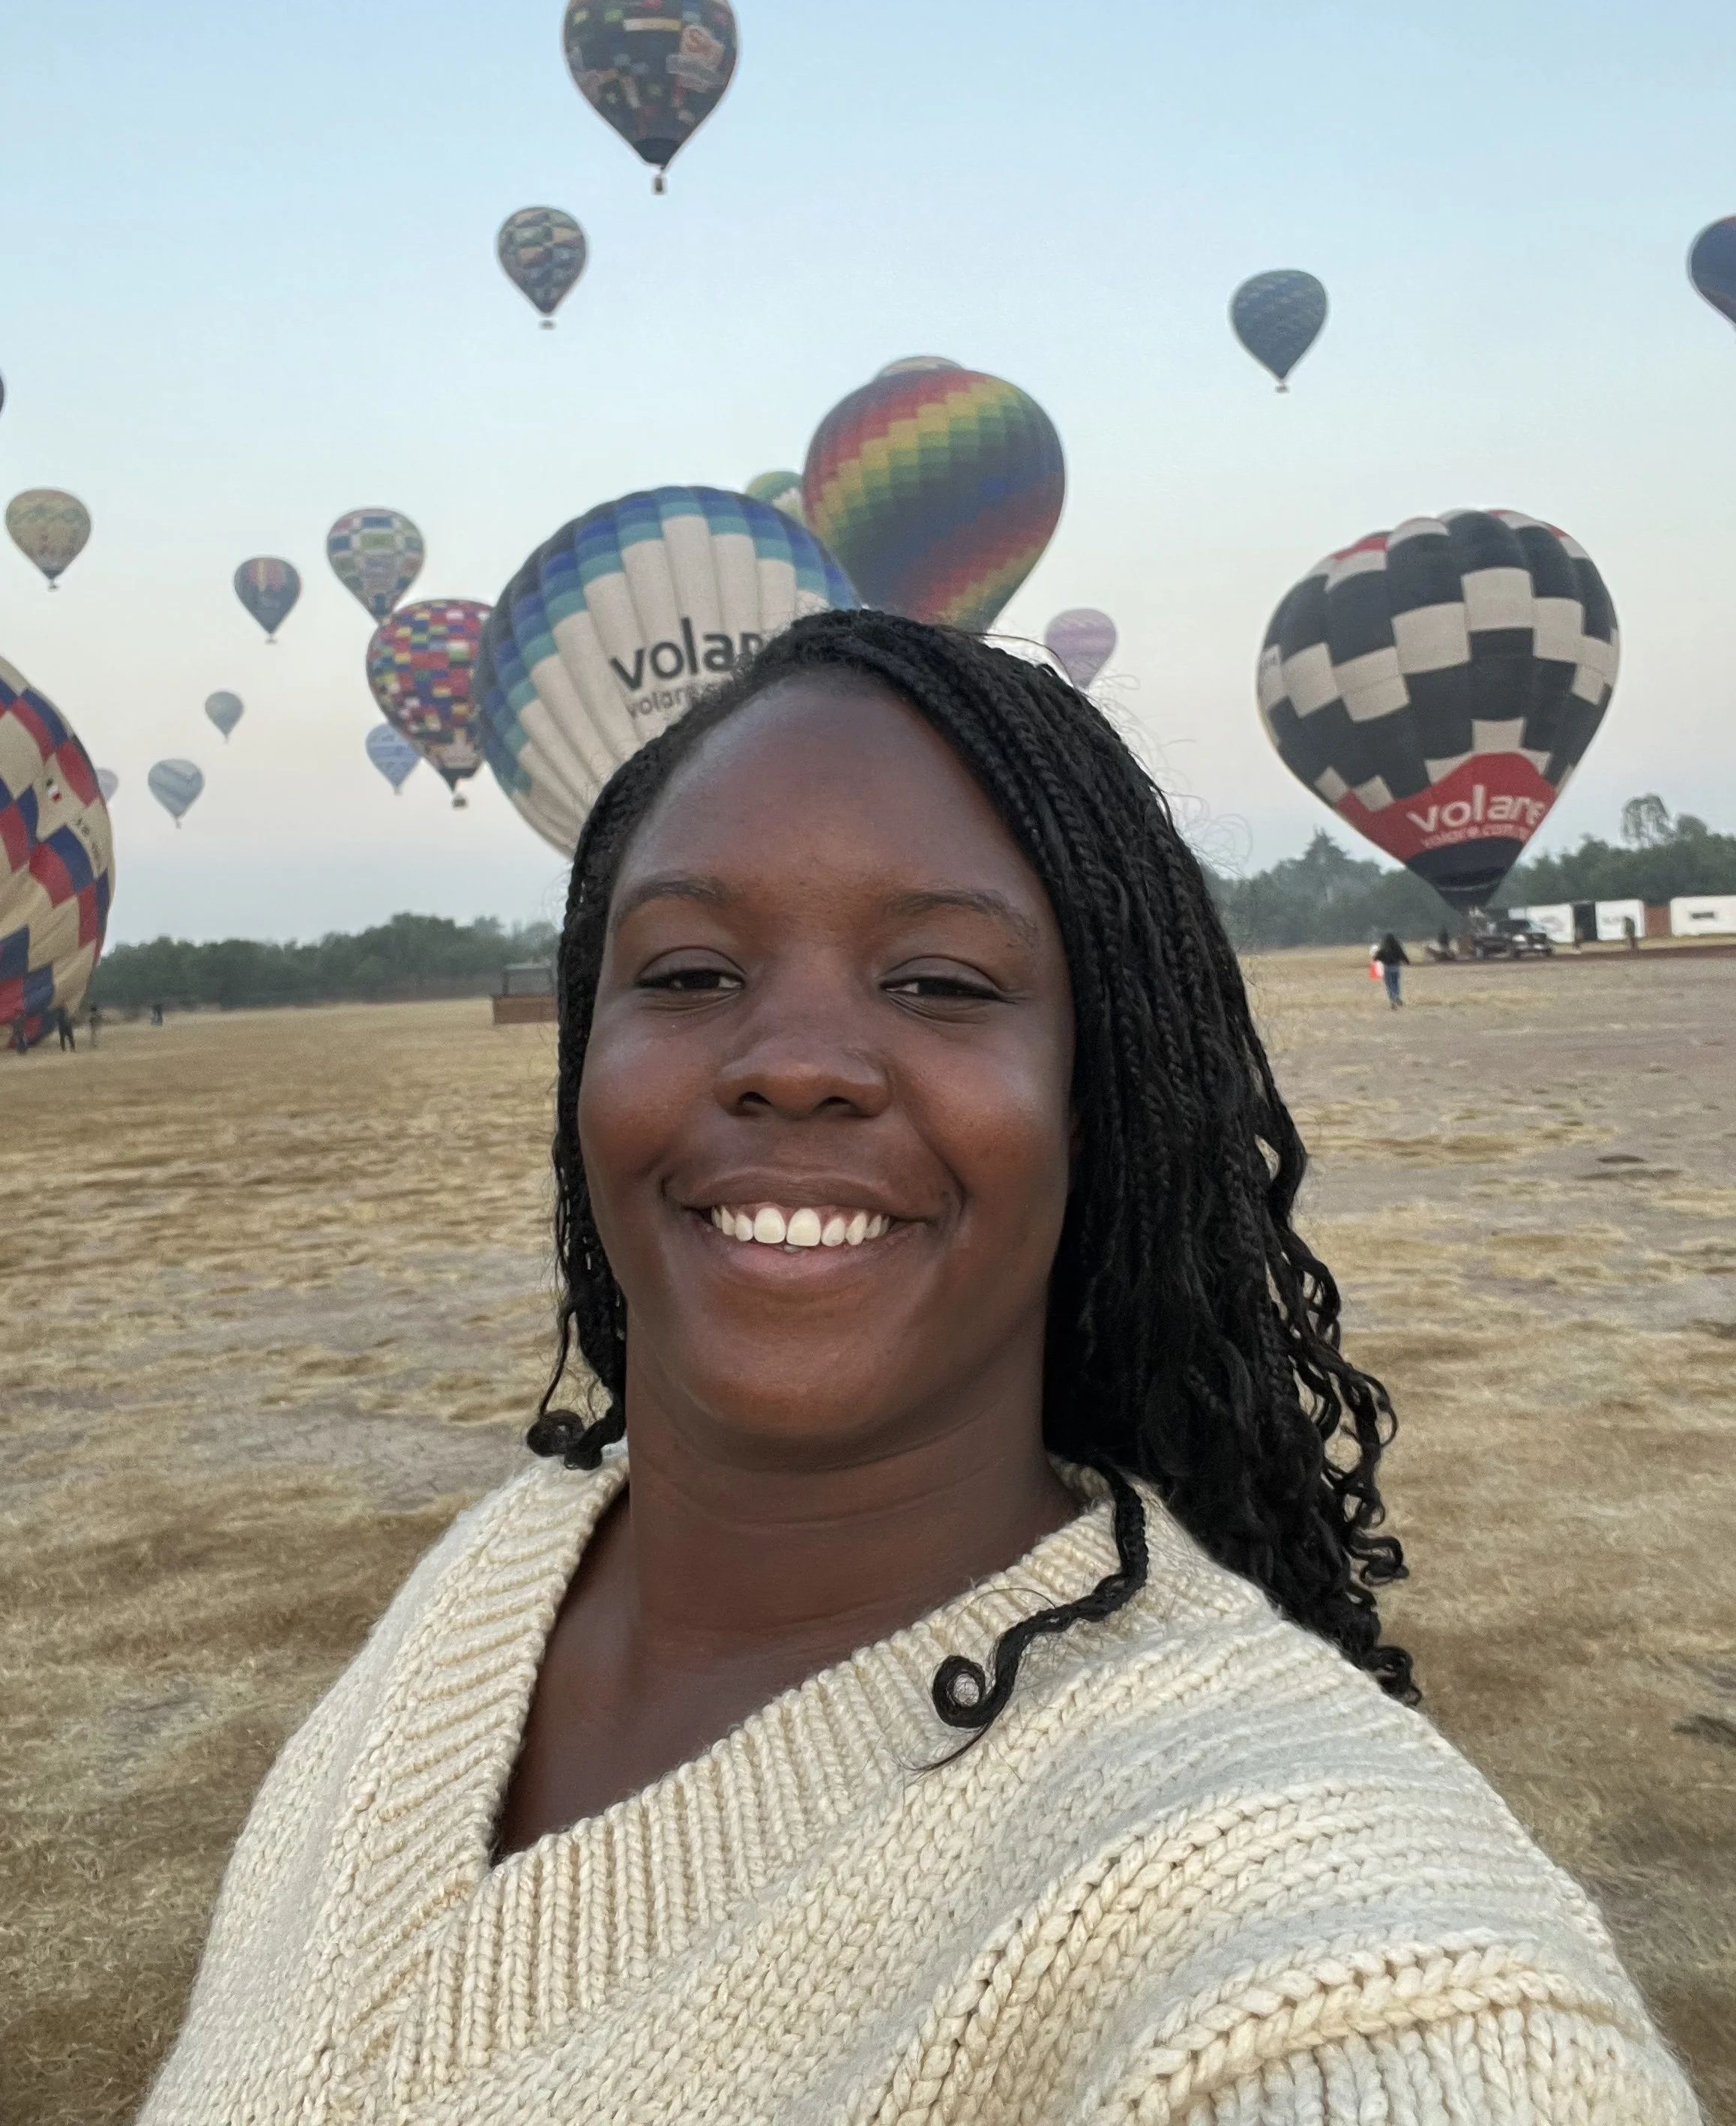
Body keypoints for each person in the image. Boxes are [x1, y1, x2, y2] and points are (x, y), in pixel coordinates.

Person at [139, 612, 1696, 2125]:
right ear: (583, 1061)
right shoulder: (484, 1589)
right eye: (687, 972)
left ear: (1102, 1099)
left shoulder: (1307, 1914)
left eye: (943, 981)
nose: (795, 1058)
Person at [1372, 929, 1409, 1007]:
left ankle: (1392, 999)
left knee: (1389, 985)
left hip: (1387, 968)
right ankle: (1397, 997)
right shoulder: (1397, 947)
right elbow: (1402, 955)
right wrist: (1407, 961)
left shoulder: (1384, 948)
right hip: (1396, 967)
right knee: (1396, 984)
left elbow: (1377, 957)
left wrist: (1376, 959)